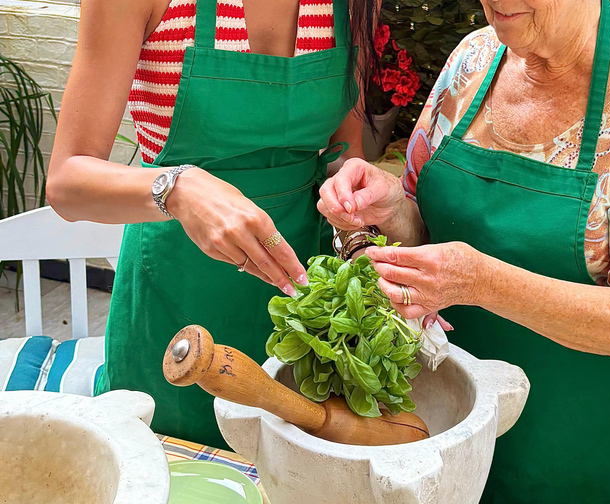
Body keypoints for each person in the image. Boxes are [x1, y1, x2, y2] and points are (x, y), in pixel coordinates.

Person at [318, 0, 610, 504]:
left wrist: (482, 284)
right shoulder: (476, 56)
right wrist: (394, 206)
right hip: (454, 423)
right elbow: (428, 227)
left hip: (587, 447)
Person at [47, 0, 378, 448]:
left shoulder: (356, 4)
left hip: (305, 309)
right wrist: (178, 188)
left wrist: (357, 202)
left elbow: (344, 149)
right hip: (174, 302)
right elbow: (67, 182)